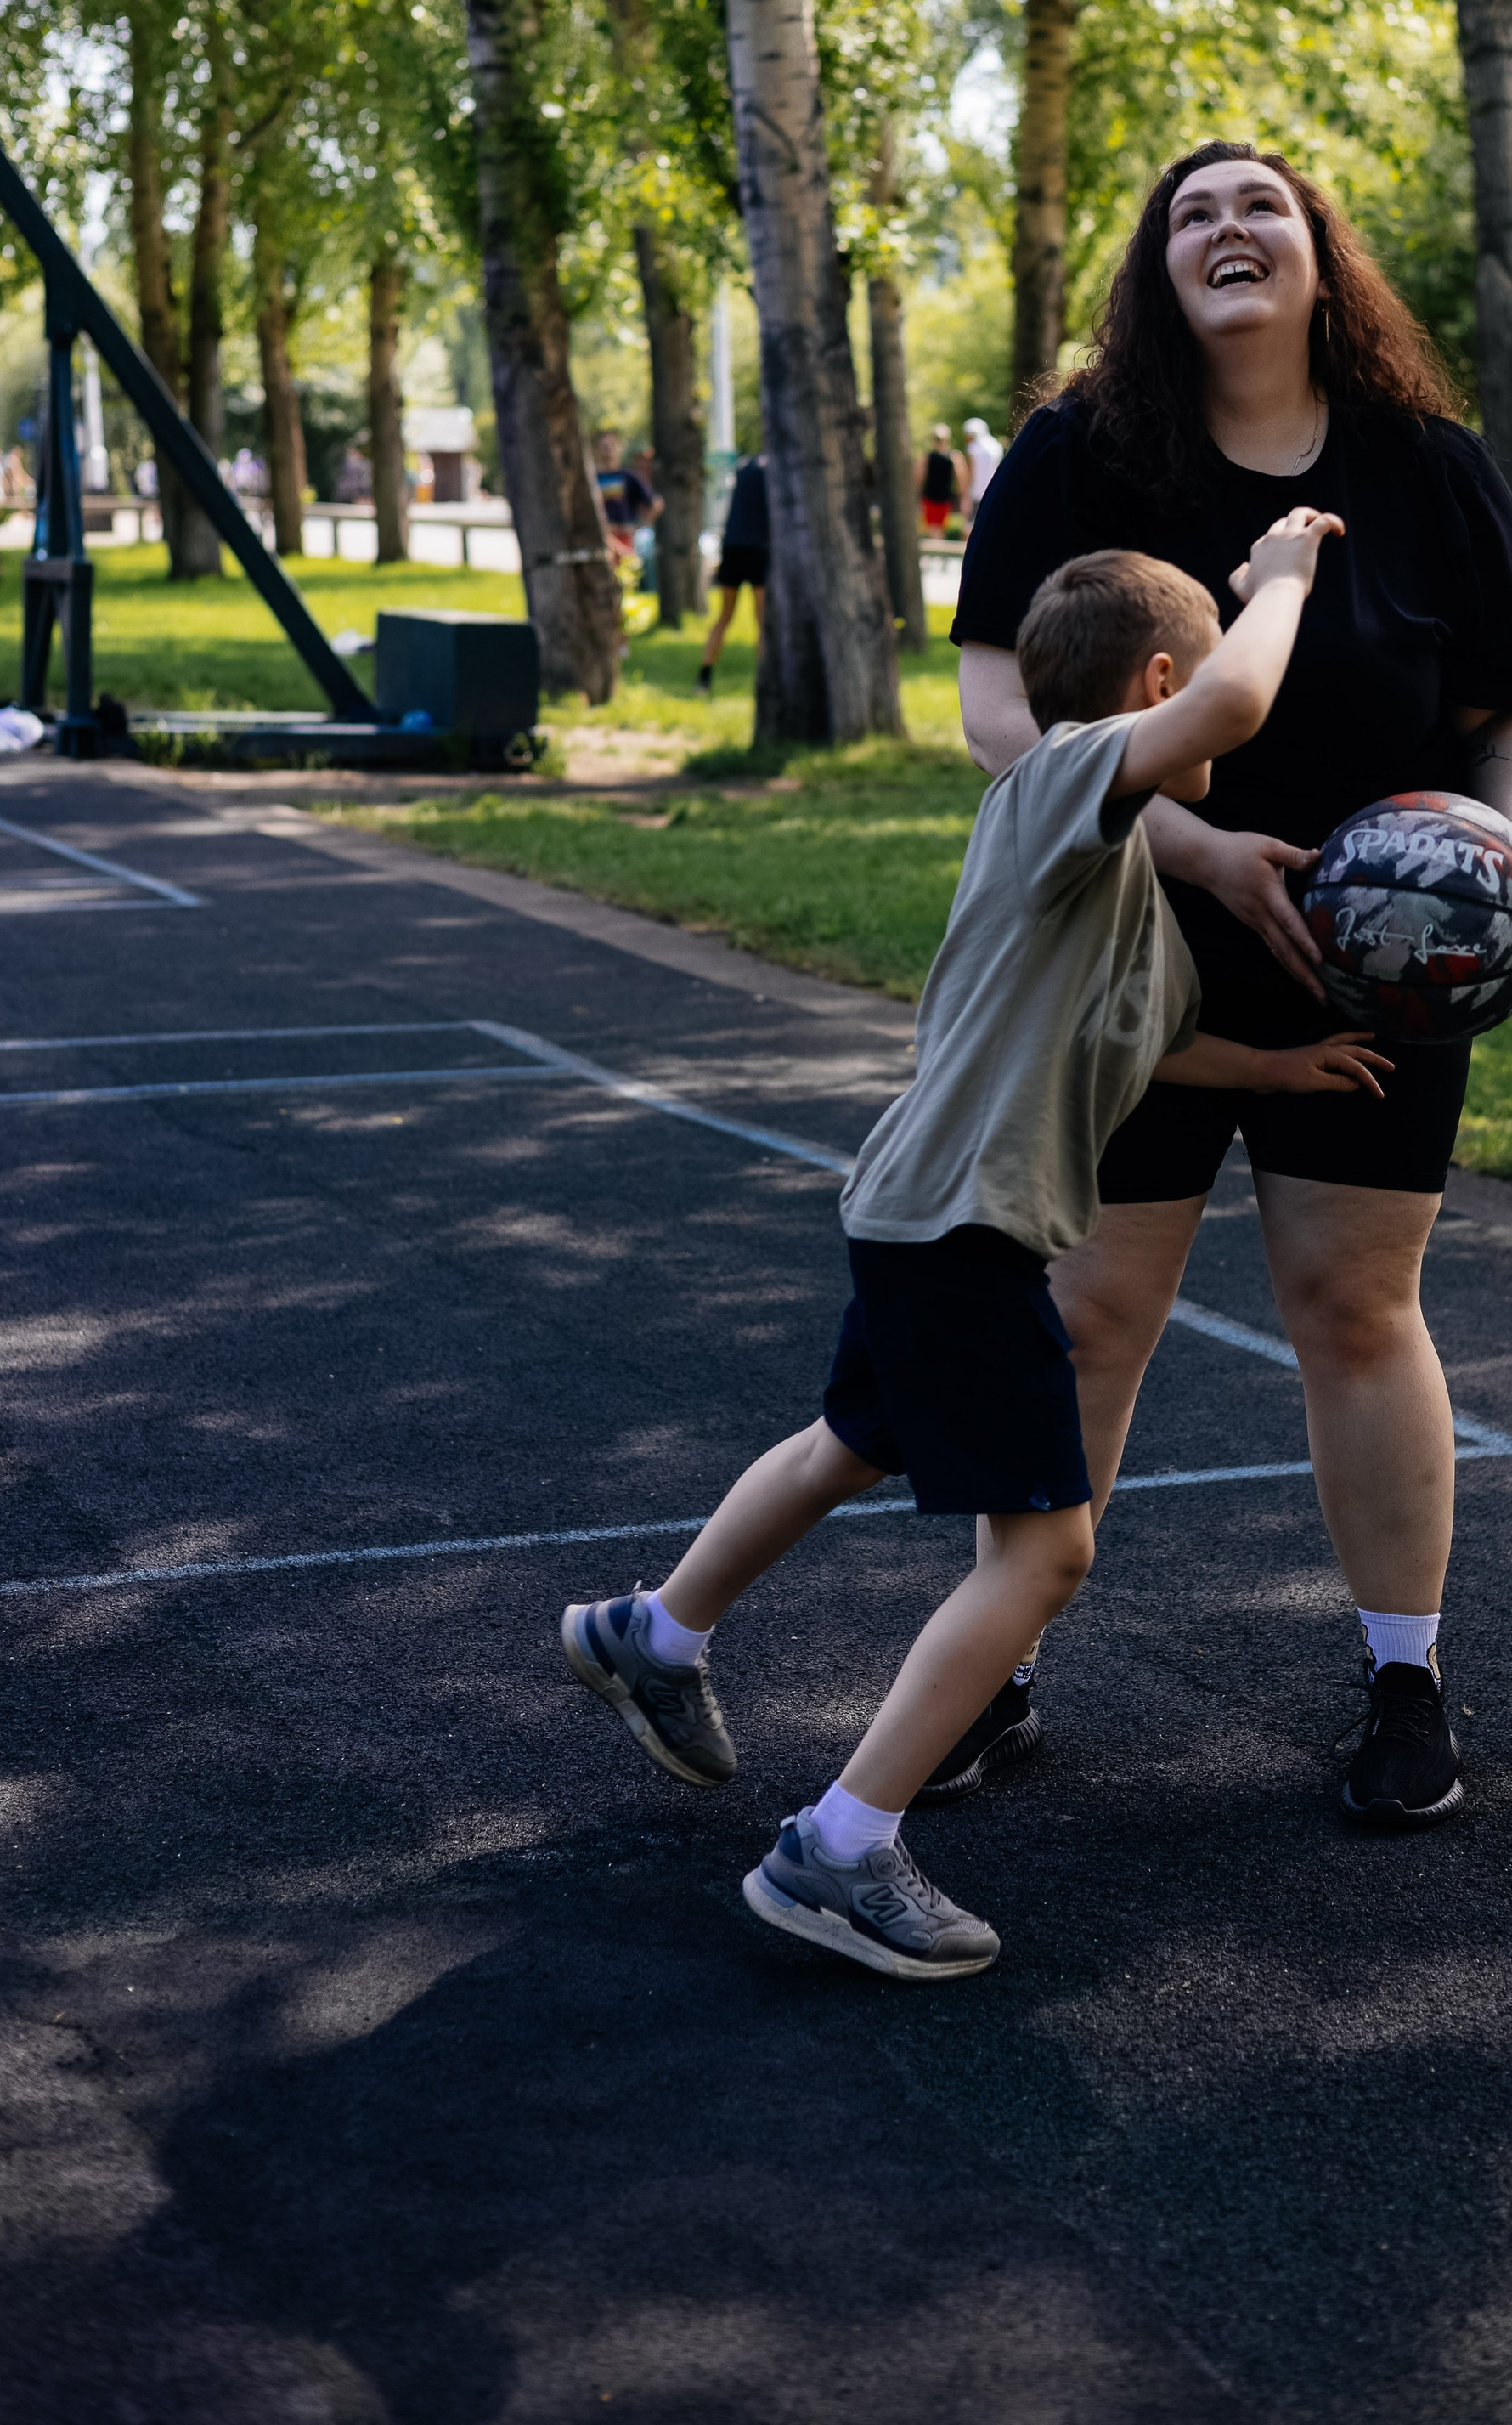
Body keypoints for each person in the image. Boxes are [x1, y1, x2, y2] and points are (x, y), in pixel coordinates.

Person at [563, 518, 1388, 1976]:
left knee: (846, 1445)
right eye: (1187, 682)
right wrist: (1284, 588)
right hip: (963, 1227)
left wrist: (1272, 1074)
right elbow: (1235, 705)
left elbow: (1138, 1036)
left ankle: (656, 1631)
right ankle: (841, 1847)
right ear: (1151, 681)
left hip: (922, 1208)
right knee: (1050, 1550)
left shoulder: (1113, 869)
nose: (1221, 726)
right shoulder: (1062, 775)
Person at [946, 141, 1512, 1825]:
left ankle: (1401, 1681)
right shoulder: (1081, 451)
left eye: (1259, 209)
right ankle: (985, 1679)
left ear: (1316, 257)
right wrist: (1189, 845)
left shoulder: (1421, 465)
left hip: (1375, 965)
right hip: (1125, 944)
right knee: (1087, 1319)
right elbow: (995, 709)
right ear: (1159, 271)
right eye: (1189, 214)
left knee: (1353, 1312)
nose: (1224, 230)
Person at [697, 450, 768, 694]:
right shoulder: (773, 469)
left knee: (724, 617)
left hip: (733, 546)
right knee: (763, 621)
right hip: (759, 547)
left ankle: (704, 678)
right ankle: (765, 682)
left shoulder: (745, 466)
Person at [593, 428, 657, 554]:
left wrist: (638, 528)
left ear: (619, 448)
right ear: (597, 450)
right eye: (604, 447)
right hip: (598, 539)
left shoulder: (629, 476)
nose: (608, 450)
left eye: (611, 446)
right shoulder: (592, 479)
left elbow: (656, 504)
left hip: (625, 539)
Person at [920, 424, 960, 535]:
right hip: (931, 497)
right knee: (932, 527)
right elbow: (921, 476)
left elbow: (959, 478)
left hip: (944, 498)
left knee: (939, 528)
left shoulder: (953, 456)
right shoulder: (929, 457)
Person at [962, 414, 1004, 522]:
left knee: (970, 525)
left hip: (976, 493)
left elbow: (970, 473)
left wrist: (965, 496)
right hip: (992, 491)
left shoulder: (973, 447)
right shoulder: (996, 446)